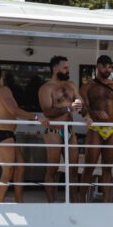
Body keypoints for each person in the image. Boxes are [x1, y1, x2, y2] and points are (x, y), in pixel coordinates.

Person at [0, 61, 48, 203]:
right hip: (5, 135)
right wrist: (37, 117)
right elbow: (14, 111)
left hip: (0, 134)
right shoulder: (4, 90)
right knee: (7, 172)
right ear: (1, 74)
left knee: (20, 166)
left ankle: (19, 200)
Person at [80, 55, 113, 203]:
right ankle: (80, 199)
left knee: (108, 168)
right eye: (105, 66)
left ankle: (106, 203)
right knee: (89, 166)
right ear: (97, 66)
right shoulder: (87, 87)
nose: (108, 70)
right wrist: (94, 113)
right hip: (95, 128)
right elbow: (83, 109)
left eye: (110, 67)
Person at [38, 55, 85, 202]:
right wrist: (69, 108)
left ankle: (73, 202)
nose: (67, 70)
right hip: (54, 131)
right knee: (52, 168)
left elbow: (80, 103)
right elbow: (48, 112)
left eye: (68, 67)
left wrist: (83, 109)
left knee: (73, 169)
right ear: (55, 68)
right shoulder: (46, 88)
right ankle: (52, 203)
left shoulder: (71, 85)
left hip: (70, 131)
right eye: (65, 68)